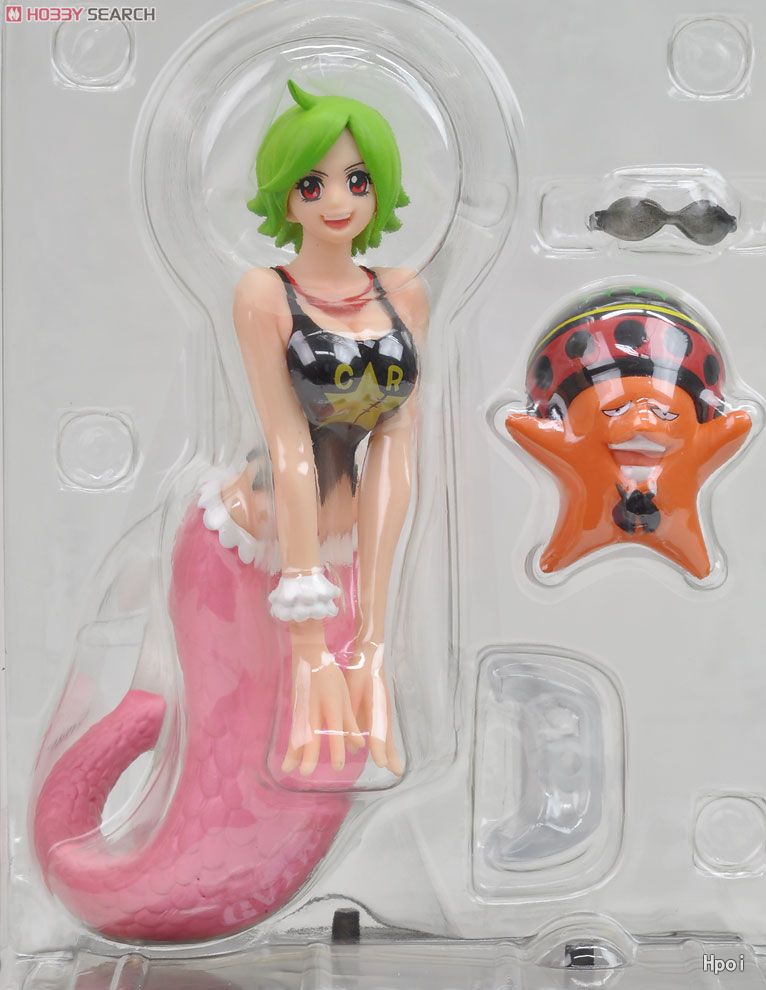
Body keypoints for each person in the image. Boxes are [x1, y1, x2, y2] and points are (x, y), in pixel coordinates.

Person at [32, 80, 428, 941]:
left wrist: (372, 641)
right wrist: (307, 636)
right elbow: (290, 447)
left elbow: (396, 457)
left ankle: (211, 870)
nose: (336, 200)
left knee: (328, 753)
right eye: (311, 182)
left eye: (357, 180)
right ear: (283, 195)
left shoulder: (402, 292)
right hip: (247, 546)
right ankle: (142, 852)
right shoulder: (265, 294)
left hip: (336, 549)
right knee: (245, 741)